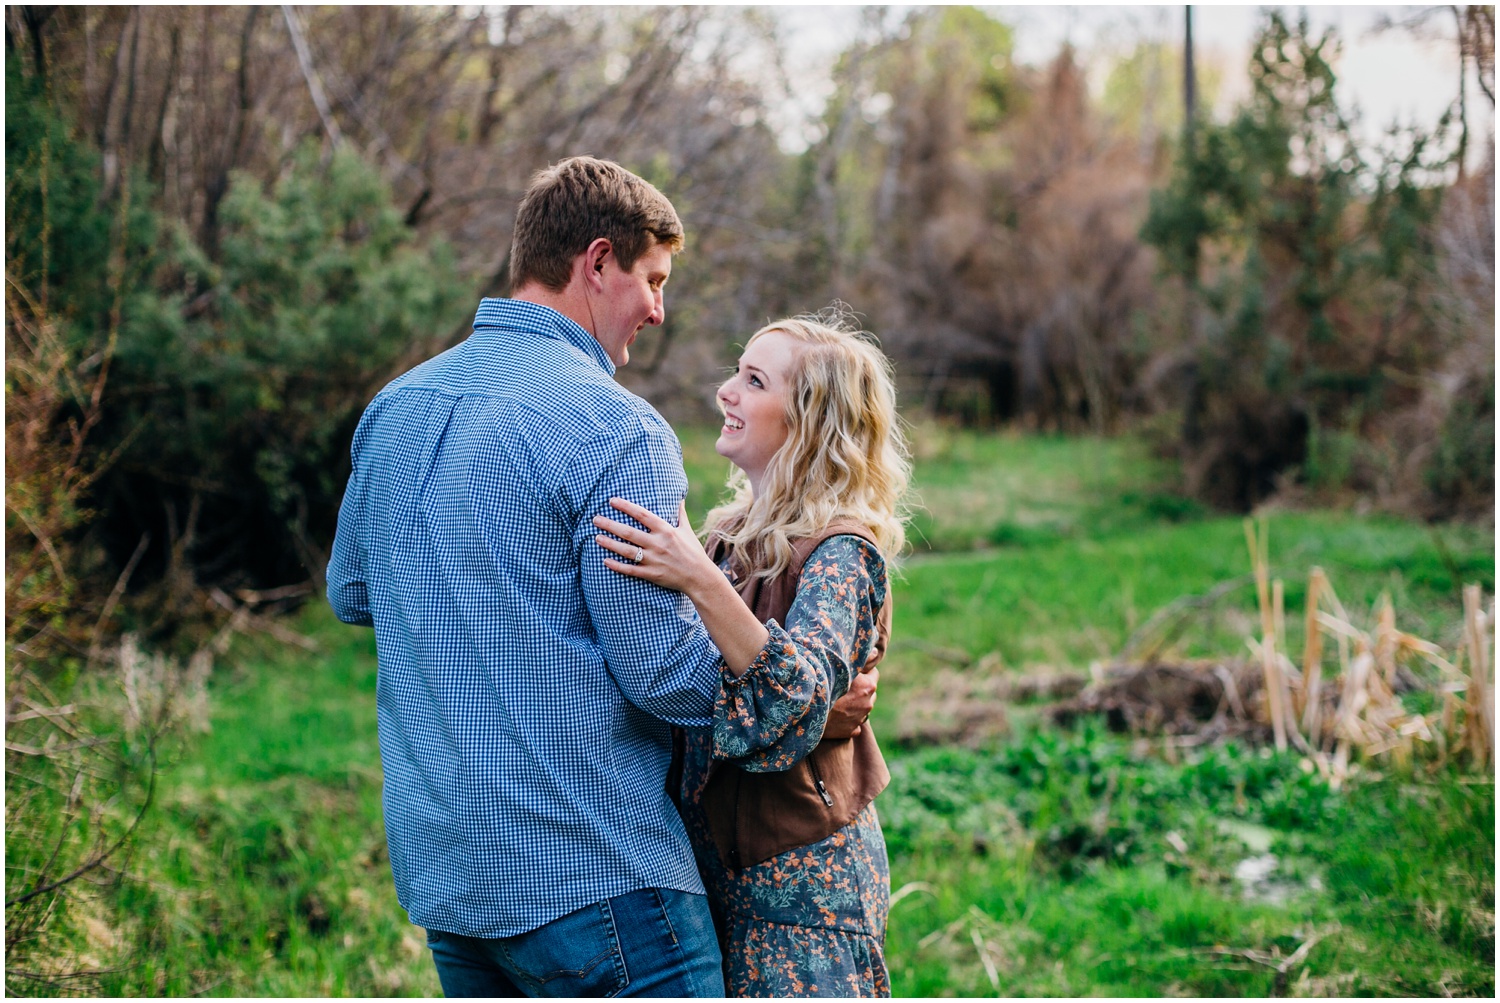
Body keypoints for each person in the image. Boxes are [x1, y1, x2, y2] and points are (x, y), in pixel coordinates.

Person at [326, 157, 873, 997]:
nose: (657, 308)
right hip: (593, 872)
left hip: (448, 873)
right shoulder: (616, 430)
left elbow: (352, 592)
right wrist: (797, 706)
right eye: (651, 280)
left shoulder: (396, 407)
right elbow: (663, 674)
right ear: (596, 262)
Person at [591, 311, 910, 997]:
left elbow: (793, 695)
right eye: (738, 372)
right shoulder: (725, 540)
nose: (724, 393)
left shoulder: (842, 551)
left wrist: (697, 581)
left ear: (808, 420)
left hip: (805, 899)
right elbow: (692, 685)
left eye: (753, 380)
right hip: (716, 885)